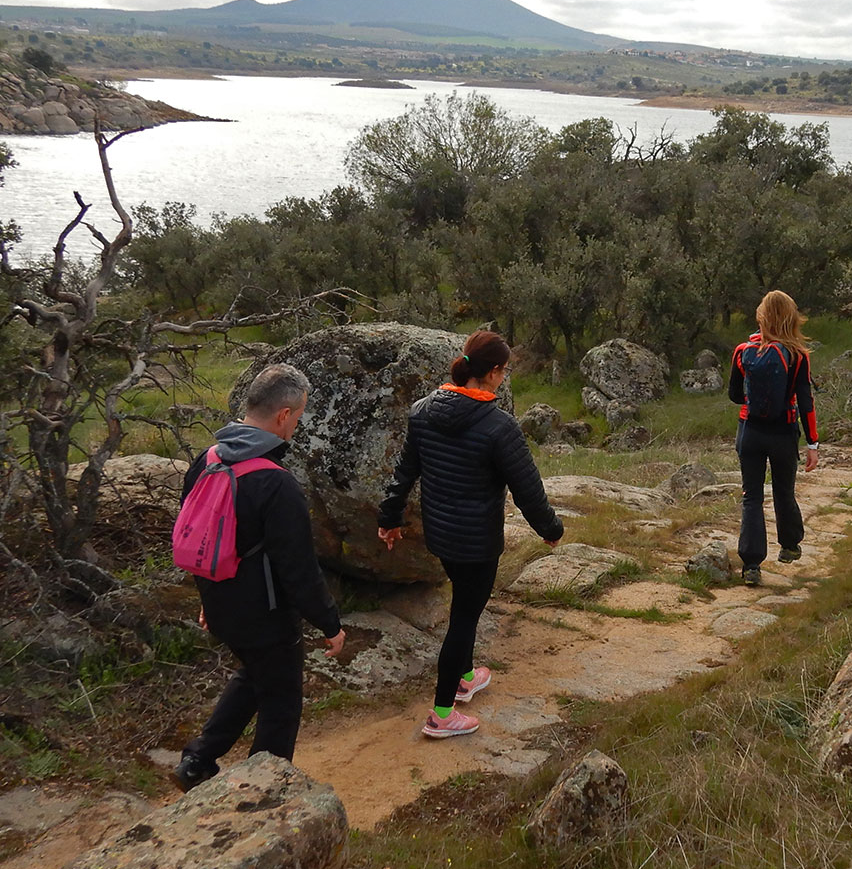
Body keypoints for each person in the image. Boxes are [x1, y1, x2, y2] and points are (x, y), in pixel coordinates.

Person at [377, 329, 564, 739]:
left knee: (463, 602)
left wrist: (389, 517)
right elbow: (528, 489)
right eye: (505, 370)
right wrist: (550, 530)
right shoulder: (499, 426)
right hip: (477, 542)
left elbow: (405, 471)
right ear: (494, 372)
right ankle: (443, 712)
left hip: (441, 534)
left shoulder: (423, 410)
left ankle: (465, 675)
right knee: (464, 616)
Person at [173, 364, 346, 791]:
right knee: (281, 703)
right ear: (284, 416)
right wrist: (330, 623)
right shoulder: (277, 484)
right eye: (299, 417)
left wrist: (207, 597)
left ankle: (197, 760)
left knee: (253, 673)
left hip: (220, 604)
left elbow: (197, 534)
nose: (296, 427)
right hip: (267, 617)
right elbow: (298, 569)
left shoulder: (206, 461)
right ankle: (262, 791)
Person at [729, 290, 819, 587]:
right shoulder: (798, 355)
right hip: (783, 433)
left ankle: (752, 565)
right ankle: (790, 545)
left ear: (761, 316)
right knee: (783, 490)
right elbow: (806, 403)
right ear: (792, 318)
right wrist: (812, 444)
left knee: (751, 497)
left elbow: (734, 395)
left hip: (750, 432)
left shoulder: (743, 351)